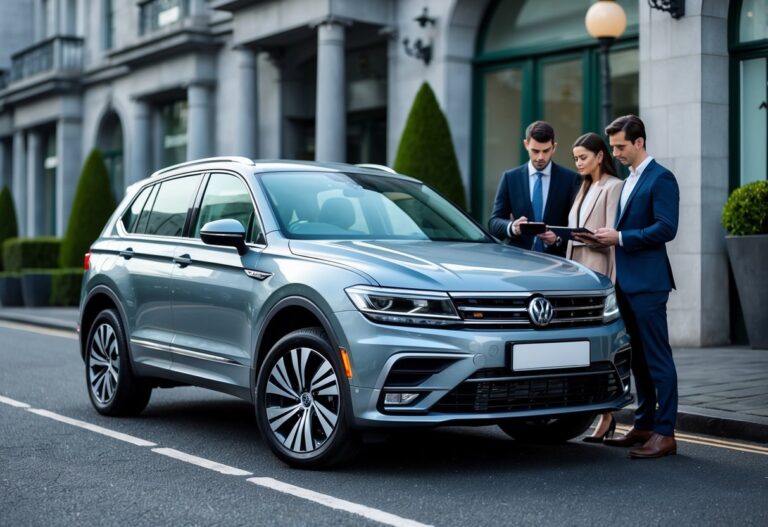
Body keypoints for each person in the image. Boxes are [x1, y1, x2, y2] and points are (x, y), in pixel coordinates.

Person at [592, 115, 680, 459]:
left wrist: (621, 237)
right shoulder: (629, 180)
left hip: (649, 284)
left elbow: (666, 228)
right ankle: (644, 425)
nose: (615, 153)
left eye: (620, 146)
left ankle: (665, 432)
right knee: (639, 361)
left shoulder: (661, 178)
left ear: (639, 142)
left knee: (659, 359)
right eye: (613, 146)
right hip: (626, 282)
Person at [562, 132, 623, 442]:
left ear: (601, 156)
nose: (578, 163)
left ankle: (607, 416)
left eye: (583, 157)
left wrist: (610, 283)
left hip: (598, 273)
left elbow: (612, 237)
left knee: (597, 350)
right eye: (575, 158)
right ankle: (597, 413)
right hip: (575, 274)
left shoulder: (614, 187)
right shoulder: (583, 187)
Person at [488, 121, 580, 256]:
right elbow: (494, 223)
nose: (540, 157)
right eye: (535, 151)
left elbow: (576, 227)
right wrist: (513, 227)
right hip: (518, 260)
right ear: (526, 145)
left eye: (546, 151)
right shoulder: (510, 178)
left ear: (554, 147)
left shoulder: (571, 179)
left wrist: (558, 239)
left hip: (557, 262)